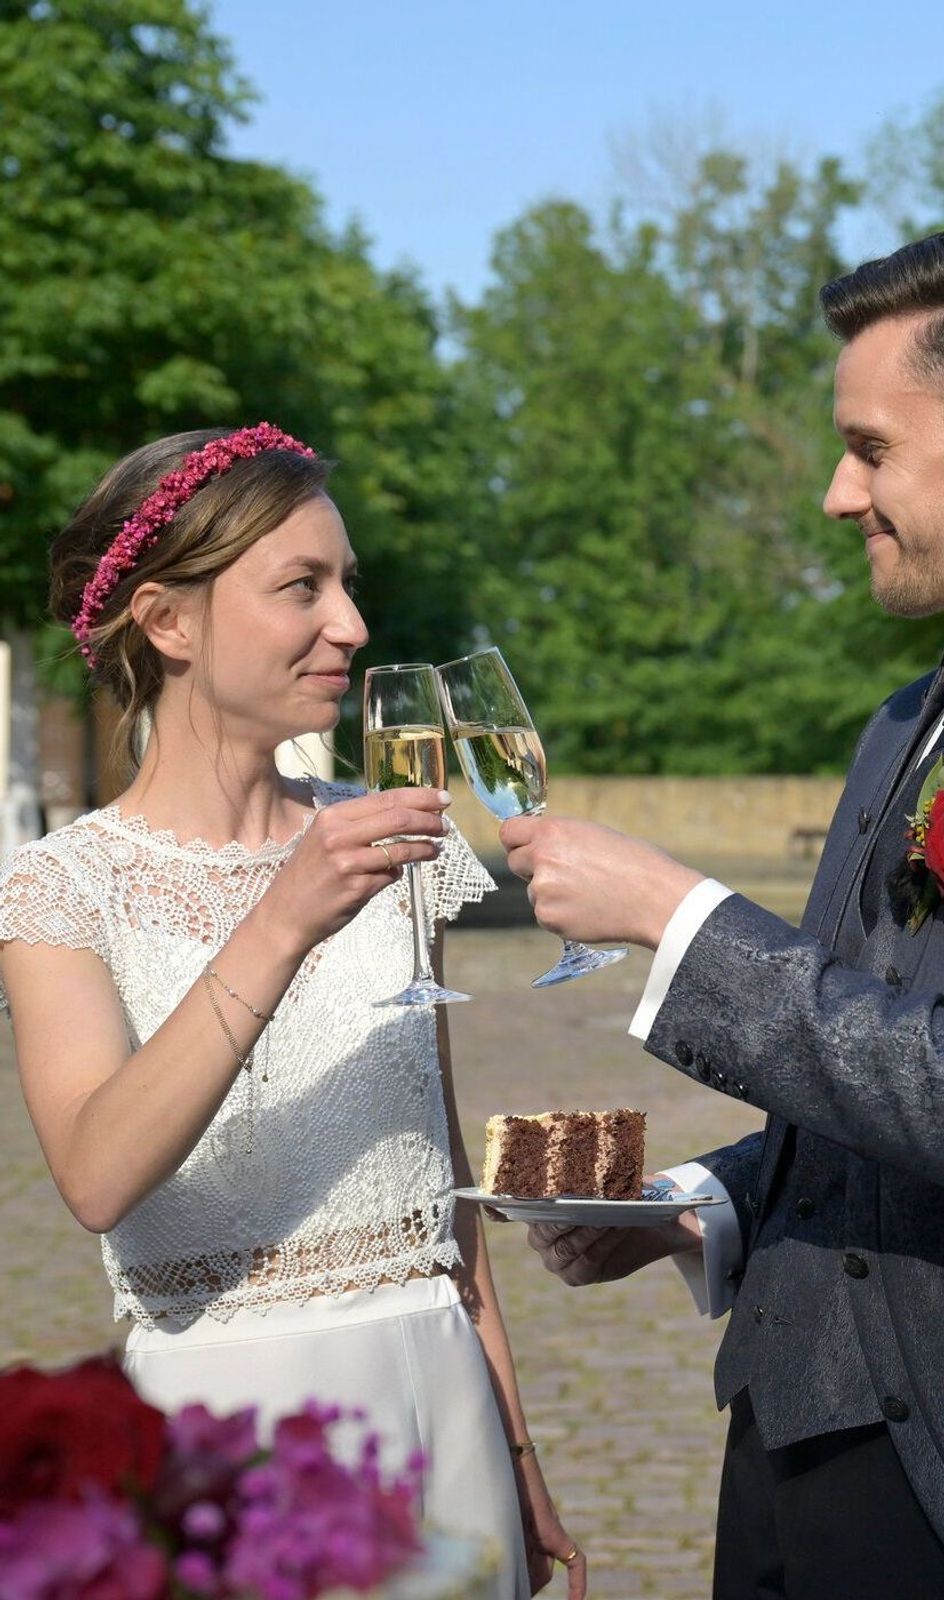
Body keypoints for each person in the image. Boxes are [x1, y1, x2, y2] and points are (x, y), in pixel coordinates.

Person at [500, 224, 944, 1599]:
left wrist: (676, 913)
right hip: (783, 1451)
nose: (836, 492)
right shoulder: (905, 720)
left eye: (869, 448)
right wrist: (706, 1208)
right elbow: (875, 1056)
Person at [0, 424, 585, 1600]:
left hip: (439, 1403)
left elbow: (442, 1195)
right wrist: (280, 919)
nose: (353, 626)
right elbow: (98, 1174)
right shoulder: (63, 885)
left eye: (349, 584)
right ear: (167, 623)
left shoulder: (393, 844)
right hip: (230, 1443)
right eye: (301, 587)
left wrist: (513, 1445)